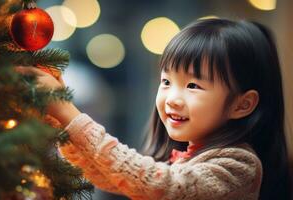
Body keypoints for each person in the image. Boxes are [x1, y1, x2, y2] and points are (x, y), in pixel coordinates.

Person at [15, 18, 291, 200]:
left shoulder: (239, 165)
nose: (172, 97)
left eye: (193, 86)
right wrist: (58, 114)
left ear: (242, 105)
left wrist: (68, 113)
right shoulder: (188, 158)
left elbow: (160, 185)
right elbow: (107, 175)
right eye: (167, 82)